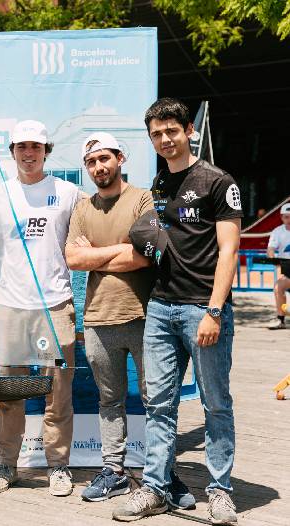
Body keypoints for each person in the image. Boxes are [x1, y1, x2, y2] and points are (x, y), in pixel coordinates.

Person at [112, 98, 241, 525]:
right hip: (161, 308)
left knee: (215, 404)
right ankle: (156, 489)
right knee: (159, 406)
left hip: (203, 310)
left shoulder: (218, 182)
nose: (165, 139)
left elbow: (229, 252)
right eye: (157, 134)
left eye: (172, 131)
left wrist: (214, 311)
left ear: (189, 130)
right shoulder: (160, 183)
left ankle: (220, 492)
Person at [0, 120, 80, 496]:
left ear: (46, 151)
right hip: (9, 306)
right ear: (12, 151)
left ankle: (58, 466)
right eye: (21, 147)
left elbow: (83, 239)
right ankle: (7, 464)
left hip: (55, 305)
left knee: (57, 392)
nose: (29, 153)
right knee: (8, 391)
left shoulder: (68, 192)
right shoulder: (0, 193)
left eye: (36, 146)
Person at [65, 132, 160, 502]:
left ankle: (160, 474)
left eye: (104, 158)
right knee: (109, 400)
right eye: (91, 162)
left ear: (120, 158)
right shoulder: (83, 208)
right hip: (98, 318)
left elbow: (145, 255)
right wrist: (120, 249)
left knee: (156, 400)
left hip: (145, 316)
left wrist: (97, 254)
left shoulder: (143, 199)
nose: (98, 167)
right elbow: (74, 259)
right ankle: (114, 471)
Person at [266, 203, 290, 329]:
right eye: (286, 217)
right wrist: (272, 258)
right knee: (278, 287)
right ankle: (281, 320)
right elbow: (270, 249)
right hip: (287, 272)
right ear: (281, 217)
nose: (289, 219)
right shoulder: (277, 232)